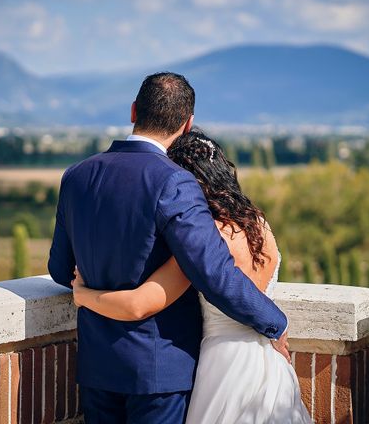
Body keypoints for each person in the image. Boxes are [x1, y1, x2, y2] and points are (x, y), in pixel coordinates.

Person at [47, 72, 289, 423]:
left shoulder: (77, 175)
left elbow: (59, 270)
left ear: (133, 111)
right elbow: (214, 271)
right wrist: (274, 322)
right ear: (187, 124)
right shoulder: (174, 180)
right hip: (159, 370)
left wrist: (89, 287)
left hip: (97, 365)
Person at [71, 129, 312, 423]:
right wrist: (277, 323)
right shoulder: (258, 224)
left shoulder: (201, 240)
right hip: (270, 363)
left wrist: (83, 295)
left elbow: (140, 303)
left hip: (223, 367)